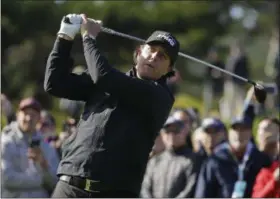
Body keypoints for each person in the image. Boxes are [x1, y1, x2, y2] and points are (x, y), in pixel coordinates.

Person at [45, 14, 179, 198]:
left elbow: (105, 77)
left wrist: (88, 37)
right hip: (70, 186)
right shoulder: (110, 79)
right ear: (139, 52)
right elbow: (55, 83)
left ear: (169, 70)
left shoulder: (159, 96)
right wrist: (65, 36)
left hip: (114, 192)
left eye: (162, 56)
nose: (154, 57)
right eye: (152, 49)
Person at [194, 116, 272, 198]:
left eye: (243, 129)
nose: (239, 134)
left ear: (250, 133)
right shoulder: (215, 160)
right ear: (229, 133)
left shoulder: (261, 159)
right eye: (235, 130)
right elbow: (203, 193)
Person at [1, 97, 60, 198]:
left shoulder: (46, 146)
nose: (28, 118)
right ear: (18, 115)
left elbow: (56, 182)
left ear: (39, 119)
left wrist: (44, 165)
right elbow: (6, 179)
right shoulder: (5, 141)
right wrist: (40, 181)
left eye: (33, 115)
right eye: (25, 114)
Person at [141, 116, 198, 198]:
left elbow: (191, 188)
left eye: (176, 130)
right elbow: (145, 187)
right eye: (167, 131)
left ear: (184, 132)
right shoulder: (155, 161)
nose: (171, 135)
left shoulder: (192, 160)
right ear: (162, 134)